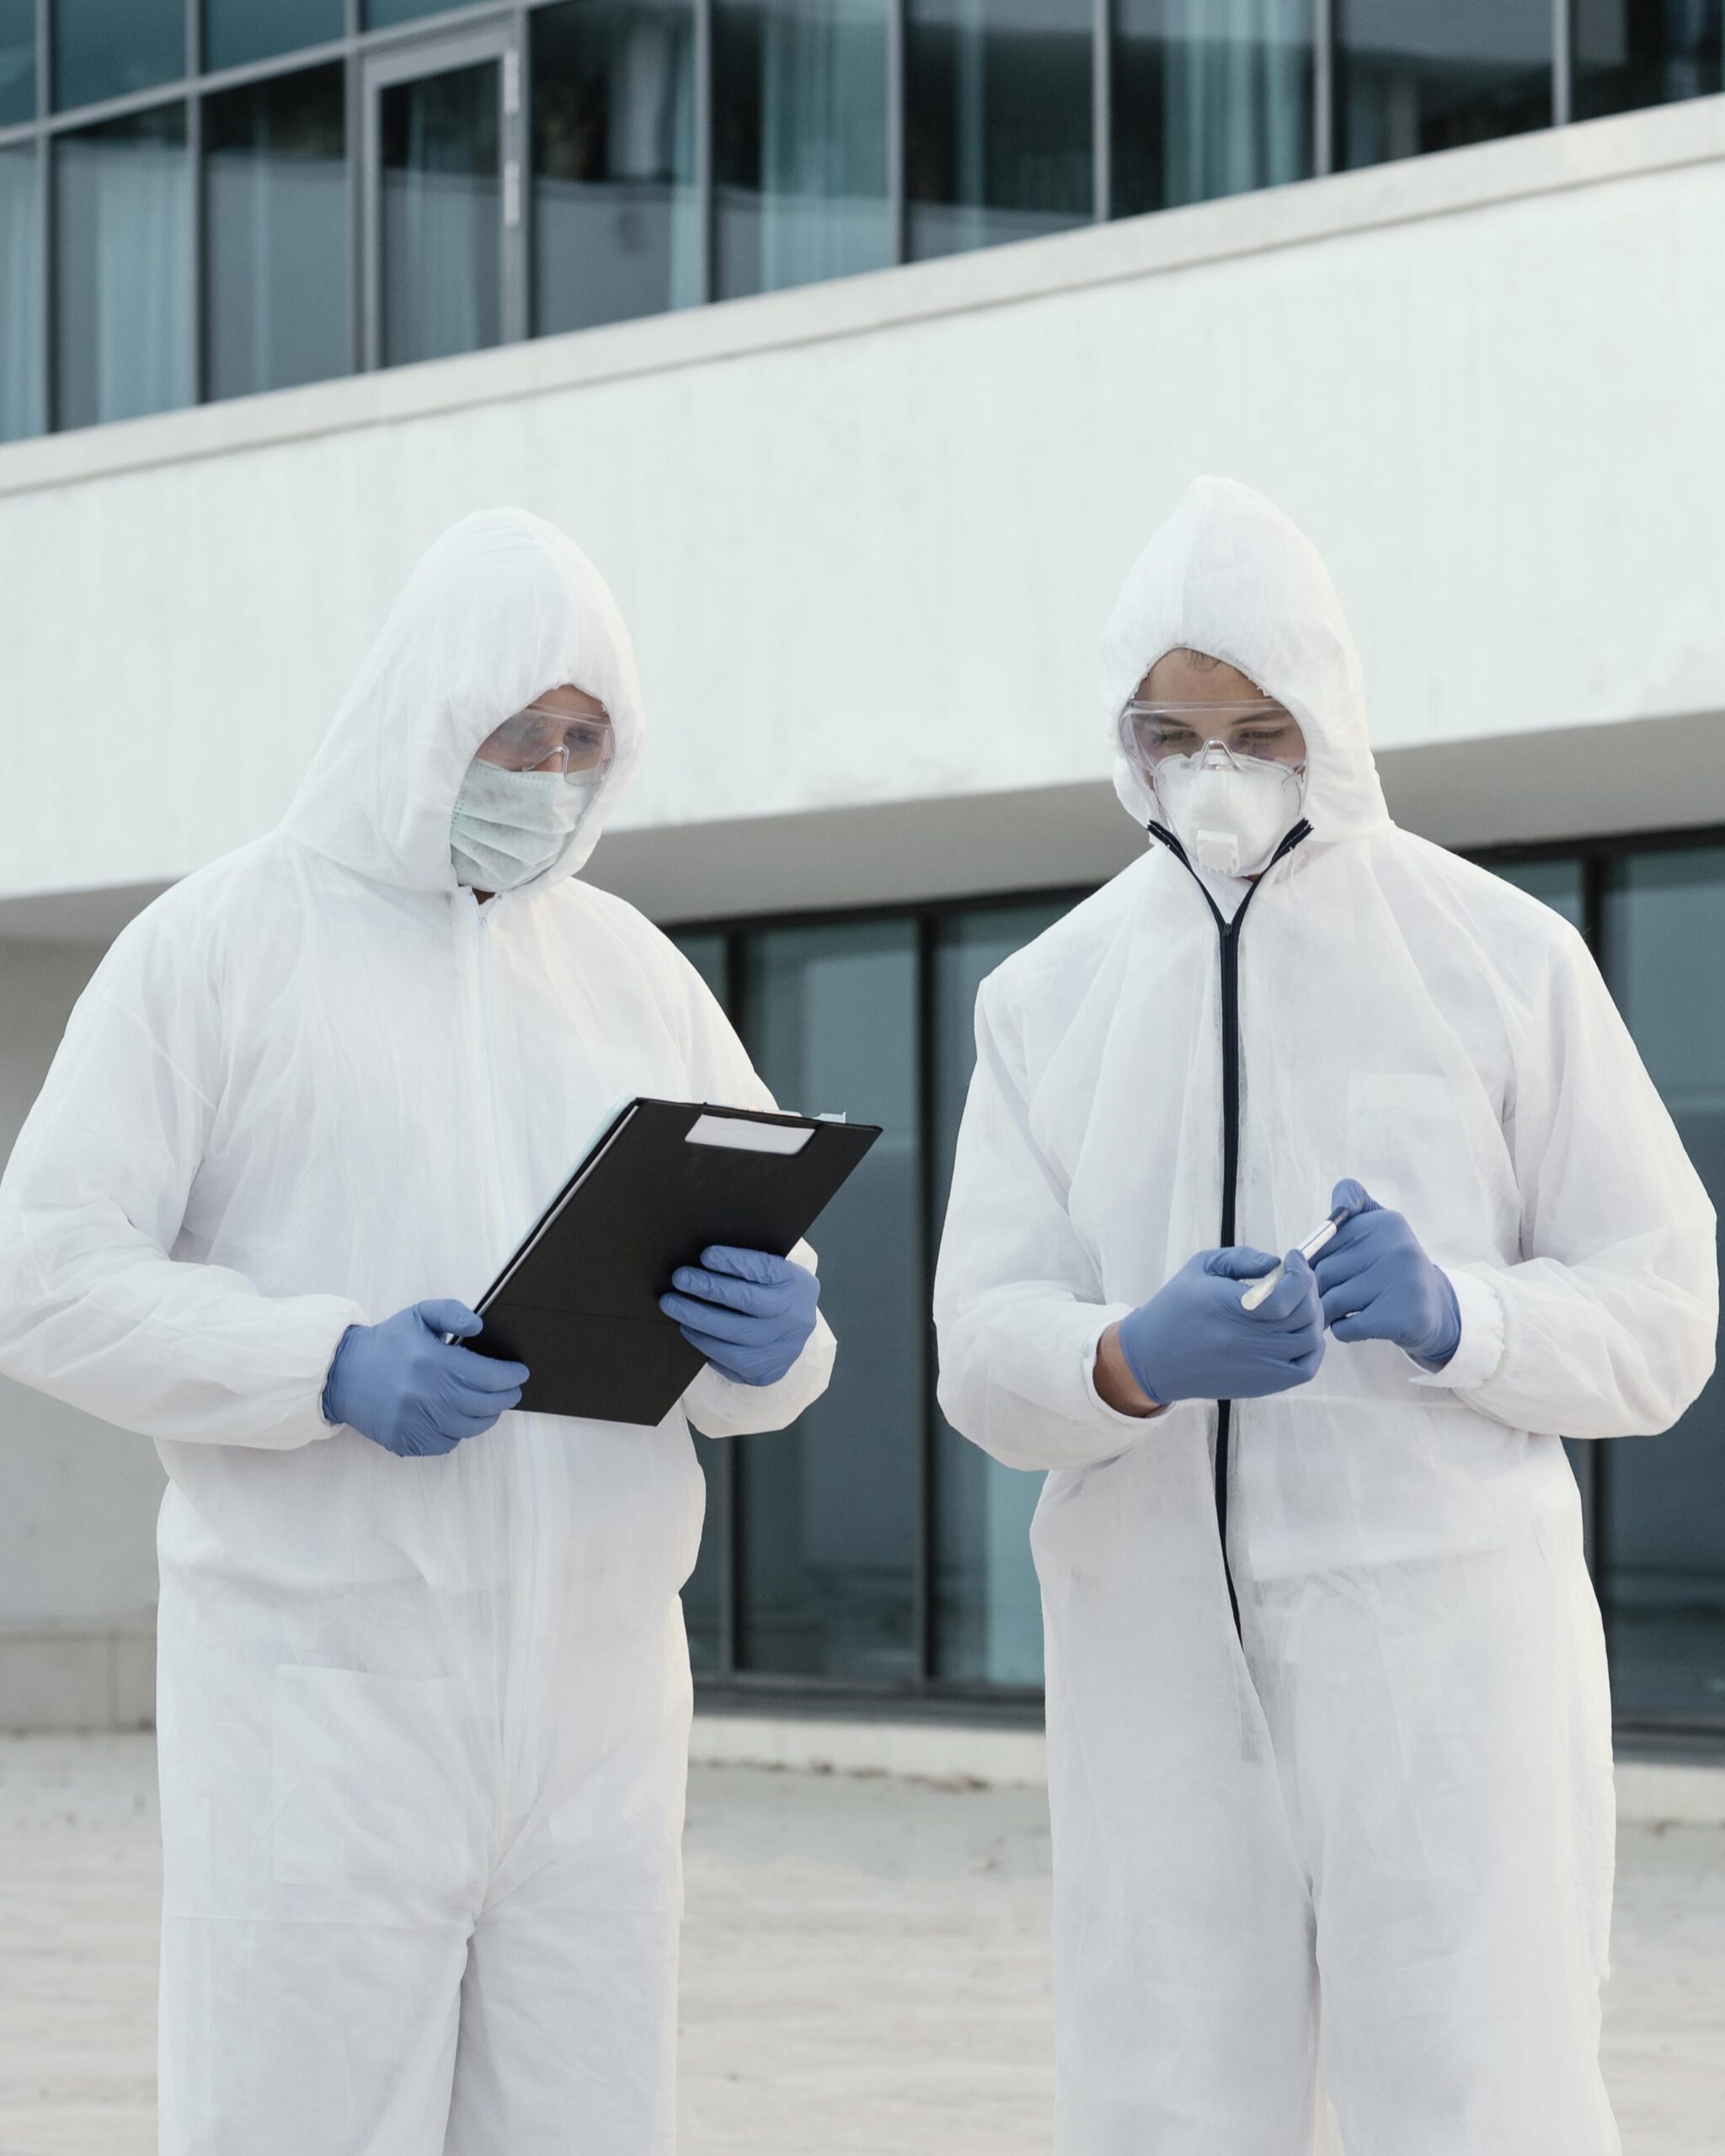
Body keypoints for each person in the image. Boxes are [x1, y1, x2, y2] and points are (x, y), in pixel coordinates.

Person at [0, 509, 835, 2153]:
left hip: (600, 1706)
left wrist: (779, 1345)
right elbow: (43, 1271)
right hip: (321, 1702)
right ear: (422, 709)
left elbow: (768, 1302)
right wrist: (320, 1362)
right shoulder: (224, 945)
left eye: (584, 742)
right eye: (517, 731)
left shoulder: (631, 972)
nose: (549, 774)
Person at [933, 476, 1717, 2154]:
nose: (1212, 767)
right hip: (1154, 1661)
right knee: (1160, 2104)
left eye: (1256, 728)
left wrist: (1463, 1318)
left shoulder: (1498, 956)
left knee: (1480, 2097)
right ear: (1124, 735)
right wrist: (1121, 1358)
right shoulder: (1046, 997)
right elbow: (979, 1348)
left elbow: (1661, 1310)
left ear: (1328, 716)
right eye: (1171, 731)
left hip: (1443, 1662)